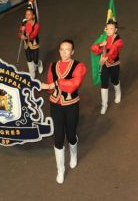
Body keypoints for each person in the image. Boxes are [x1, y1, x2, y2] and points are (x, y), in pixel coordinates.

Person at [41, 39, 86, 184]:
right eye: (62, 49)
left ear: (72, 52)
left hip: (71, 105)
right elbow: (49, 85)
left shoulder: (79, 66)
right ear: (59, 50)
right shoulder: (53, 66)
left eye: (67, 49)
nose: (64, 52)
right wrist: (46, 87)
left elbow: (74, 84)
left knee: (71, 134)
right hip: (55, 105)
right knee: (58, 137)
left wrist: (55, 84)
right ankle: (60, 169)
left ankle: (73, 154)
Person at [90, 19, 124, 115]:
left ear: (116, 30)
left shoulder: (119, 40)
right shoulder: (104, 38)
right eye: (107, 29)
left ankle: (118, 93)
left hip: (114, 64)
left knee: (115, 80)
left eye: (111, 29)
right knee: (104, 83)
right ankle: (104, 104)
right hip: (105, 65)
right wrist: (101, 44)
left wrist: (105, 58)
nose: (109, 31)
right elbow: (93, 48)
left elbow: (113, 50)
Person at [18, 8, 43, 78]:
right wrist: (21, 35)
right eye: (26, 14)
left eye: (29, 14)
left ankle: (39, 63)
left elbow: (33, 35)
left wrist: (25, 37)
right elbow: (19, 34)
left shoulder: (36, 25)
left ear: (33, 16)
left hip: (34, 44)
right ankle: (32, 73)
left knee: (35, 59)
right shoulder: (23, 23)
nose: (27, 16)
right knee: (29, 59)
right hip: (26, 44)